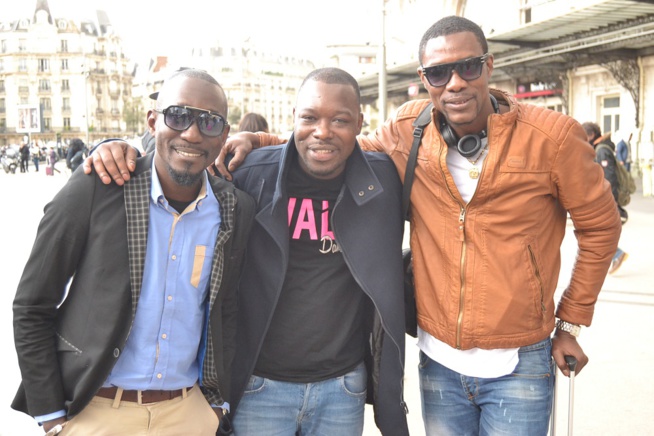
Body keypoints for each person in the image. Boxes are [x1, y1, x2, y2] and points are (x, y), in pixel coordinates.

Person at [82, 17, 622, 435]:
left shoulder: (552, 137)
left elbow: (600, 228)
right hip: (436, 360)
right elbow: (332, 139)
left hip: (520, 356)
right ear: (424, 81)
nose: (454, 83)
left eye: (468, 67)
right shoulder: (410, 132)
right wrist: (238, 142)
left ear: (489, 64)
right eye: (438, 73)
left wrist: (571, 322)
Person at [84, 67, 409, 435]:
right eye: (309, 118)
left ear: (360, 124)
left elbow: (433, 154)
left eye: (340, 120)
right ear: (293, 120)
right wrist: (114, 148)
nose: (322, 131)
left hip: (343, 389)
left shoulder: (383, 179)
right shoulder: (251, 173)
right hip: (260, 387)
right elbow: (180, 160)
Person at [12, 68, 255, 436]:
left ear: (224, 134)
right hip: (96, 412)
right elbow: (32, 305)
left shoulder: (234, 208)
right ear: (153, 120)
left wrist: (216, 407)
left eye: (209, 123)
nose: (191, 132)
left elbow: (228, 310)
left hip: (188, 414)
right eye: (178, 116)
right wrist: (52, 418)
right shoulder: (98, 186)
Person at [582, 121, 629, 274]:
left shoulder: (601, 150)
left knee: (596, 231)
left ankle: (617, 254)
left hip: (604, 198)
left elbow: (609, 176)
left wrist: (612, 200)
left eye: (584, 136)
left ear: (591, 135)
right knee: (596, 231)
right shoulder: (602, 147)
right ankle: (614, 255)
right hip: (603, 197)